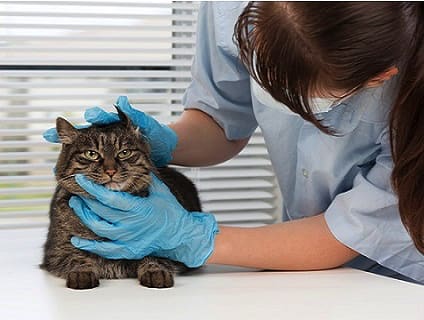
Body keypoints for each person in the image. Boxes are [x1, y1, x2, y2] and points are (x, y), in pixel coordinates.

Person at [44, 2, 424, 283]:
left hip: (398, 276)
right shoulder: (232, 6)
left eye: (301, 101)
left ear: (378, 78)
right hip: (300, 267)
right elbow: (222, 119)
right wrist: (164, 142)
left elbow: (353, 230)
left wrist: (193, 237)